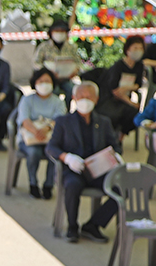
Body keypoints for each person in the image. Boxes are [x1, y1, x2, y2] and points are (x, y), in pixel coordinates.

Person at [46, 82, 121, 243]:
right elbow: (51, 147)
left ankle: (93, 225)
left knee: (120, 189)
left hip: (97, 170)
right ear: (74, 98)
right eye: (81, 97)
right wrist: (67, 157)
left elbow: (115, 146)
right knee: (73, 185)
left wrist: (115, 156)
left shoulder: (104, 122)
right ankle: (72, 226)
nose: (85, 100)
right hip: (73, 170)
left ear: (96, 99)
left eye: (89, 97)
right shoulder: (63, 121)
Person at [16, 68, 66, 199]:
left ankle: (49, 185)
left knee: (54, 154)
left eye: (47, 81)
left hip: (50, 138)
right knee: (33, 153)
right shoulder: (27, 100)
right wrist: (36, 132)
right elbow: (24, 120)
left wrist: (47, 128)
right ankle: (33, 183)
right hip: (29, 139)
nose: (44, 84)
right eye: (41, 81)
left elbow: (60, 120)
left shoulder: (58, 102)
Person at [96, 35, 146, 138]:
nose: (138, 51)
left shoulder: (139, 66)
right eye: (135, 48)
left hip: (124, 98)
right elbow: (115, 91)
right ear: (128, 49)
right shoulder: (118, 66)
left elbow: (138, 85)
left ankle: (120, 137)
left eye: (140, 48)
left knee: (134, 115)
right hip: (109, 99)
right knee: (113, 115)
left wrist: (126, 88)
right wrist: (131, 102)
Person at [33, 20, 81, 107]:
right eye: (57, 31)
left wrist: (74, 72)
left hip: (66, 78)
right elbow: (36, 63)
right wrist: (46, 73)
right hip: (50, 79)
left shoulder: (71, 47)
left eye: (62, 31)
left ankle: (66, 111)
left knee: (71, 89)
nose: (59, 33)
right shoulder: (44, 47)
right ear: (51, 33)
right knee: (55, 91)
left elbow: (78, 63)